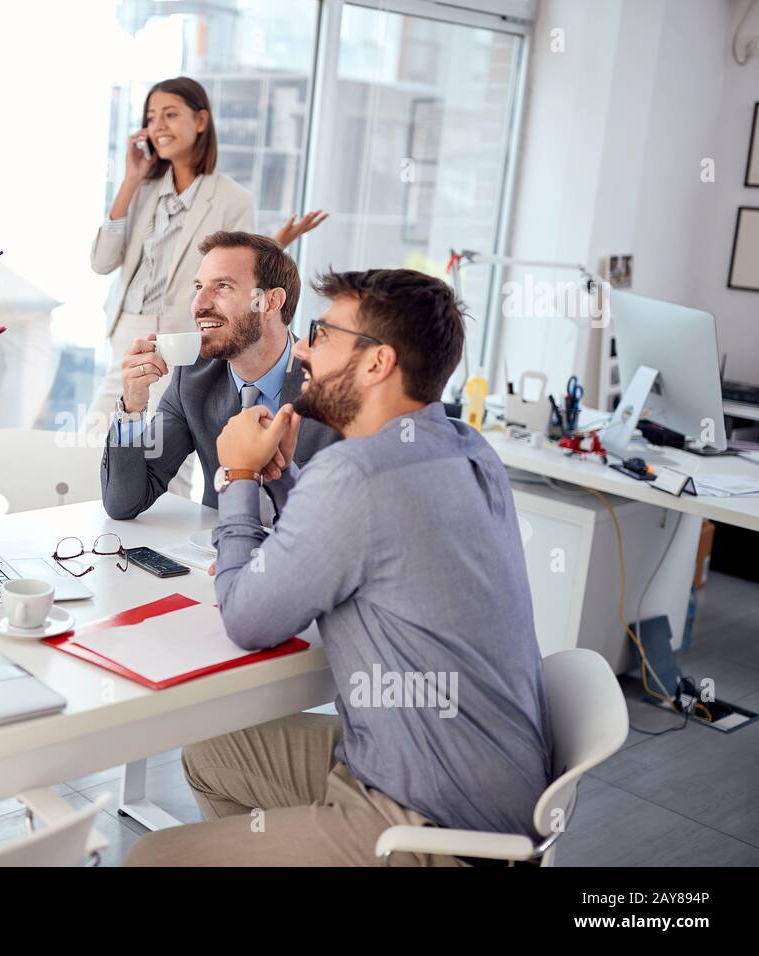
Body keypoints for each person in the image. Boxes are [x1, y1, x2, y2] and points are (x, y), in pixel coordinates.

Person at [125, 268, 553, 867]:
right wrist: (282, 480)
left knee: (150, 858)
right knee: (211, 754)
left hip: (433, 822)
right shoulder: (466, 445)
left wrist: (241, 477)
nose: (301, 347)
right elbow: (363, 539)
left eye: (322, 334)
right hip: (475, 779)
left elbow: (248, 619)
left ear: (377, 363)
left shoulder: (357, 472)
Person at [88, 76, 325, 496]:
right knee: (102, 440)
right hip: (131, 329)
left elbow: (245, 268)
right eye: (151, 117)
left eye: (170, 114)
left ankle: (165, 546)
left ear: (201, 120)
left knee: (168, 461)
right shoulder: (143, 190)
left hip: (185, 335)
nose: (158, 125)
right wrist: (128, 181)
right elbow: (102, 260)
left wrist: (280, 244)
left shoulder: (231, 197)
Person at [102, 231, 338, 518]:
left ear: (271, 302)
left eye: (222, 286)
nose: (199, 305)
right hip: (216, 555)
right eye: (199, 286)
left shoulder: (331, 384)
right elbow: (124, 502)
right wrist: (132, 408)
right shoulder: (192, 379)